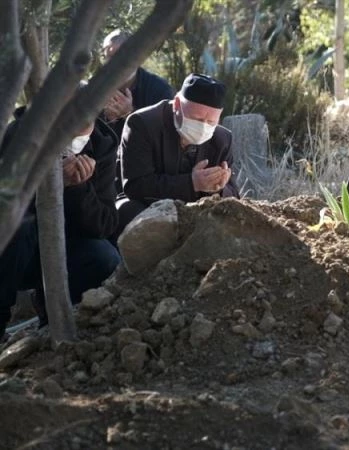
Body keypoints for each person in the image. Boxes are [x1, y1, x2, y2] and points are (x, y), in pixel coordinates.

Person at [0, 89, 121, 336]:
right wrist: (52, 184)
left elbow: (105, 224)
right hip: (19, 251)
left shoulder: (102, 145)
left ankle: (56, 320)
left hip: (67, 248)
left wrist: (78, 190)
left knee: (104, 257)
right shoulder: (22, 135)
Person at [116, 73, 239, 234]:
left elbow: (235, 195)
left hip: (195, 212)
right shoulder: (142, 124)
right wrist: (192, 183)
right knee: (129, 211)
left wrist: (220, 187)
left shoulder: (222, 139)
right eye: (196, 118)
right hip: (149, 207)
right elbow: (135, 186)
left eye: (211, 122)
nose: (203, 127)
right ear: (177, 105)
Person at [101, 29, 175, 139]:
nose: (115, 63)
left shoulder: (159, 89)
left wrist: (130, 113)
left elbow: (167, 134)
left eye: (121, 56)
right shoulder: (93, 89)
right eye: (110, 57)